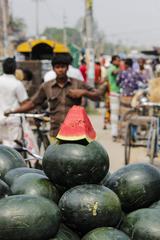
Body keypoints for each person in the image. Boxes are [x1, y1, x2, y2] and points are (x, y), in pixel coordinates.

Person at [6, 53, 101, 141]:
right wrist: (13, 111)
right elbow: (32, 104)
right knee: (55, 159)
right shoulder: (46, 86)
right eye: (57, 67)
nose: (60, 69)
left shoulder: (78, 84)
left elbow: (98, 96)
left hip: (76, 133)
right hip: (56, 133)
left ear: (67, 68)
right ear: (53, 68)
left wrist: (84, 93)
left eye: (63, 67)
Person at [0, 57, 28, 147]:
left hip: (0, 119)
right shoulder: (17, 84)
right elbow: (24, 103)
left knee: (2, 148)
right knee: (12, 148)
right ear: (15, 69)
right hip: (13, 119)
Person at [107, 55, 121, 141]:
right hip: (114, 93)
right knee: (115, 115)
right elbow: (114, 73)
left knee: (116, 114)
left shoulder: (114, 67)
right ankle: (114, 133)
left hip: (116, 92)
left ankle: (115, 132)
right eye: (118, 61)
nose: (119, 62)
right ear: (113, 61)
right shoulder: (112, 68)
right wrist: (122, 70)